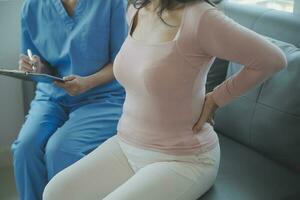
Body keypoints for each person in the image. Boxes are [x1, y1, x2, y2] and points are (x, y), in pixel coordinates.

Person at [43, 0, 287, 199]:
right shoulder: (136, 9)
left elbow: (272, 59)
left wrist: (215, 98)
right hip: (126, 145)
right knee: (56, 192)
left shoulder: (201, 17)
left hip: (183, 158)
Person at [11, 0, 128, 200]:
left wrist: (88, 83)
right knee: (24, 150)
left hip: (103, 96)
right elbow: (41, 65)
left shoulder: (112, 3)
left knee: (61, 150)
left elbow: (122, 61)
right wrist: (37, 68)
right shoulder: (32, 7)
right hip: (51, 96)